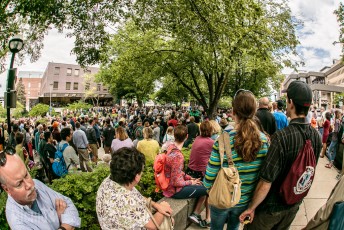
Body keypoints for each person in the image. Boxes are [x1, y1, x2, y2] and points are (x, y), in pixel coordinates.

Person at [239, 80, 322, 230]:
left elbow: (266, 181)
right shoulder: (316, 136)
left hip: (271, 208)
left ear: (290, 103)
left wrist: (251, 208)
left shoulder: (281, 137)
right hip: (294, 204)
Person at [204, 90, 269, 230]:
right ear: (254, 112)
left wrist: (209, 190)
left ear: (233, 112)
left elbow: (209, 176)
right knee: (234, 228)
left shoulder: (222, 140)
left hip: (221, 199)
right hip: (244, 200)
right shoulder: (264, 141)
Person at [0, 150, 81, 229]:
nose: (29, 185)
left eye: (26, 175)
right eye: (19, 184)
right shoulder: (16, 221)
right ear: (7, 189)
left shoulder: (37, 184)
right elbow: (70, 218)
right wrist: (62, 223)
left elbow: (69, 205)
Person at [96, 147, 173, 229]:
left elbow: (136, 196)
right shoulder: (128, 202)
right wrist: (163, 207)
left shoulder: (109, 181)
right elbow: (152, 226)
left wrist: (156, 205)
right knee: (169, 220)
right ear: (137, 176)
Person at [163, 125, 208, 228]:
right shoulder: (178, 156)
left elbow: (176, 172)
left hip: (169, 188)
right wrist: (190, 182)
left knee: (201, 185)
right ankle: (197, 215)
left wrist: (189, 178)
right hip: (174, 191)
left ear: (174, 135)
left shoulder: (170, 148)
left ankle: (197, 214)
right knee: (206, 189)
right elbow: (176, 182)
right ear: (187, 136)